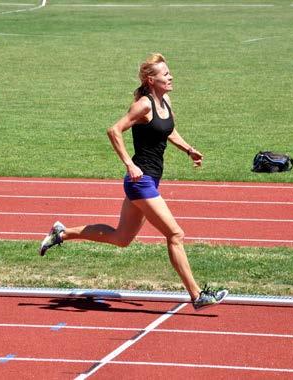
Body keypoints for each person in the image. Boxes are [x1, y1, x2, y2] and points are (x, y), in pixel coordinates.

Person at [39, 53, 228, 310]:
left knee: (121, 238)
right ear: (151, 80)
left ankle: (61, 233)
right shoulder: (143, 105)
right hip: (141, 182)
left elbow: (168, 129)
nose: (171, 77)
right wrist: (129, 163)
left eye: (169, 72)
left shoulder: (165, 101)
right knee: (175, 234)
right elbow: (113, 130)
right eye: (165, 74)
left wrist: (188, 149)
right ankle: (197, 296)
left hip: (149, 180)